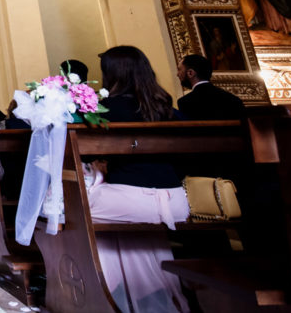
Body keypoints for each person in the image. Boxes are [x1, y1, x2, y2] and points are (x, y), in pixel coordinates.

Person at [91, 45, 189, 313]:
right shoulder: (168, 108)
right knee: (129, 232)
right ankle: (148, 296)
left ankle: (110, 298)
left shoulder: (105, 110)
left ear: (112, 74)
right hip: (177, 202)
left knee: (67, 211)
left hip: (131, 200)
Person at [176, 54, 246, 120]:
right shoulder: (233, 99)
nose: (177, 74)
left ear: (190, 73)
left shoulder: (186, 102)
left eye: (179, 69)